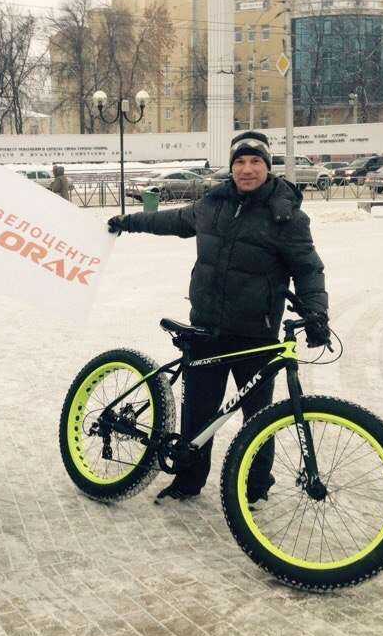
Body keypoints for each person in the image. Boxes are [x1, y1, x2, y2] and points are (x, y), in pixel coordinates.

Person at [106, 130, 329, 506]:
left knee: (260, 419)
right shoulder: (214, 203)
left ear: (267, 167)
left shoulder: (286, 216)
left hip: (256, 336)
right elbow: (173, 222)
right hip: (206, 329)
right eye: (240, 162)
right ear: (231, 167)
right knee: (198, 413)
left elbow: (308, 269)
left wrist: (316, 312)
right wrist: (129, 222)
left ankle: (255, 488)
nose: (247, 169)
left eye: (255, 161)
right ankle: (187, 482)